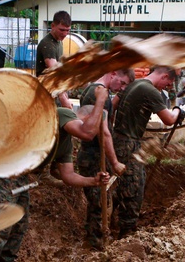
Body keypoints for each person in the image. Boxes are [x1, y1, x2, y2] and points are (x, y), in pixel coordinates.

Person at [0, 86, 111, 262]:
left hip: (21, 178)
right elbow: (87, 132)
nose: (95, 133)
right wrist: (100, 99)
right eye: (92, 121)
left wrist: (94, 181)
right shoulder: (63, 114)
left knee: (17, 228)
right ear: (83, 117)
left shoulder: (66, 143)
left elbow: (68, 175)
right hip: (5, 173)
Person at [112, 66, 185, 239]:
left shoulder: (134, 83)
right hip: (129, 143)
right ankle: (127, 231)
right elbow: (168, 119)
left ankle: (111, 215)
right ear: (165, 76)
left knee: (127, 181)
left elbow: (113, 105)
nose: (167, 87)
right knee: (134, 186)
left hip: (118, 138)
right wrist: (177, 111)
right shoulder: (151, 91)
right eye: (168, 83)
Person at [77, 69, 134, 249]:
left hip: (92, 154)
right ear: (113, 73)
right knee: (98, 204)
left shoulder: (96, 90)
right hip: (93, 156)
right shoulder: (98, 94)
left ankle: (93, 242)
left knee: (98, 202)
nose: (122, 88)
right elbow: (105, 134)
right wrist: (115, 162)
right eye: (122, 83)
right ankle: (96, 247)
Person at [36, 10, 73, 109]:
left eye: (67, 30)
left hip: (54, 93)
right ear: (52, 26)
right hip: (46, 95)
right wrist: (64, 99)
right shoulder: (48, 45)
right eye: (62, 30)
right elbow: (55, 74)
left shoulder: (58, 41)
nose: (65, 33)